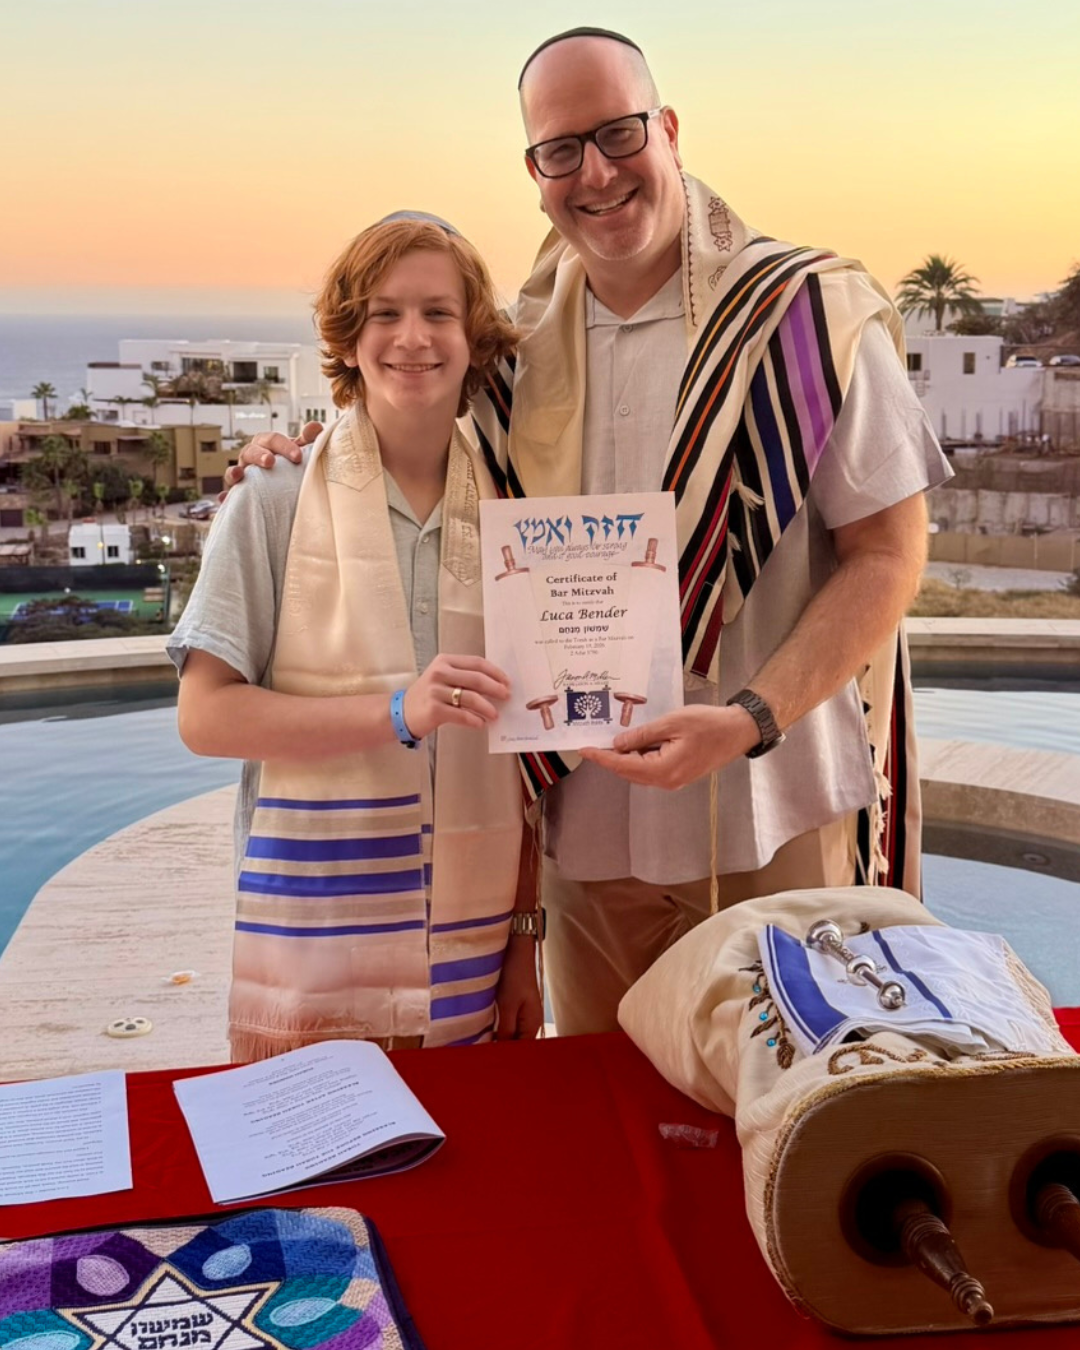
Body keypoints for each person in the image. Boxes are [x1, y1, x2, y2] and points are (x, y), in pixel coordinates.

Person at [226, 30, 952, 1037]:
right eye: (561, 149)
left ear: (669, 128)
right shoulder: (511, 351)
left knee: (792, 1120)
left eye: (619, 133)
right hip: (587, 838)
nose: (597, 173)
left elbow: (887, 554)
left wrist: (748, 715)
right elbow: (399, 417)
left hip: (767, 808)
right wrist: (297, 453)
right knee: (609, 1133)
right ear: (533, 173)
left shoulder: (803, 319)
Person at [169, 214, 542, 1061]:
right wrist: (397, 710)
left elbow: (529, 759)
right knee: (316, 1183)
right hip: (315, 935)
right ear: (349, 336)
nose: (413, 338)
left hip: (471, 952)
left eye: (439, 313)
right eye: (385, 313)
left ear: (475, 337)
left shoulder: (522, 521)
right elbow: (205, 717)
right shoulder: (272, 500)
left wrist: (525, 936)